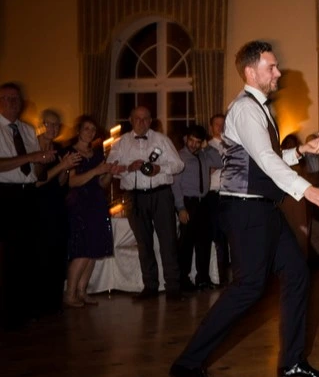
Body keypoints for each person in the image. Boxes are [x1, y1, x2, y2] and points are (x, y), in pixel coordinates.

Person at [170, 40, 319, 377]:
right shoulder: (246, 109)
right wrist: (305, 189)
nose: (278, 73)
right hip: (246, 209)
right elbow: (264, 159)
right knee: (248, 288)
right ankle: (188, 363)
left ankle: (292, 361)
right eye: (271, 67)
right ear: (251, 72)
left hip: (263, 207)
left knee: (296, 273)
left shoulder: (259, 109)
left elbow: (265, 158)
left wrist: (300, 151)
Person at [107, 106, 185, 301]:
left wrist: (160, 168)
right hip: (134, 196)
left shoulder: (161, 140)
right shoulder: (121, 143)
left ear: (150, 121)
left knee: (168, 241)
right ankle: (150, 286)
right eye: (137, 119)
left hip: (161, 195)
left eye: (145, 119)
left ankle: (173, 288)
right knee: (144, 243)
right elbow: (111, 168)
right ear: (130, 120)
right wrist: (128, 168)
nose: (142, 122)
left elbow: (179, 165)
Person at [0, 82, 56, 330]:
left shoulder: (26, 128)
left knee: (28, 251)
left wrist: (43, 159)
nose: (13, 103)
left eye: (16, 99)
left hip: (28, 194)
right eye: (8, 98)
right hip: (5, 195)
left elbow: (36, 171)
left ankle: (26, 307)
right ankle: (7, 312)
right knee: (7, 254)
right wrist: (32, 157)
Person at [63, 116, 124, 307]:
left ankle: (82, 291)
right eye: (86, 128)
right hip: (80, 204)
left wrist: (109, 173)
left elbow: (102, 184)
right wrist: (97, 171)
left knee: (94, 249)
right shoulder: (71, 153)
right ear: (79, 130)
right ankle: (70, 293)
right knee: (82, 249)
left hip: (97, 202)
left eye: (93, 129)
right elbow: (71, 182)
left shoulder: (97, 154)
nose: (90, 132)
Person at [35, 110, 81, 315]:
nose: (53, 129)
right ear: (41, 124)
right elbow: (37, 181)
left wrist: (66, 168)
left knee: (58, 252)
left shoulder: (58, 149)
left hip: (56, 206)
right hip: (36, 207)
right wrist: (62, 165)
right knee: (39, 254)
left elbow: (61, 183)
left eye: (57, 125)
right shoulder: (32, 147)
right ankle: (38, 301)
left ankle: (54, 301)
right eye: (49, 124)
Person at [172, 124, 223, 291]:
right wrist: (180, 208)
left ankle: (203, 278)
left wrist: (207, 148)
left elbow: (220, 162)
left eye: (197, 142)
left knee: (204, 242)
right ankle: (183, 279)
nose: (193, 144)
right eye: (191, 140)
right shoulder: (179, 157)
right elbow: (175, 185)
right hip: (188, 202)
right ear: (186, 139)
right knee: (186, 243)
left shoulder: (204, 155)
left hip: (204, 202)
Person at [207, 113, 230, 284]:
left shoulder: (233, 147)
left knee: (233, 235)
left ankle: (233, 275)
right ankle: (220, 277)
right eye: (217, 124)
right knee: (217, 235)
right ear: (211, 127)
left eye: (223, 124)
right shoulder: (206, 148)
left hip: (231, 195)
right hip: (214, 195)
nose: (220, 128)